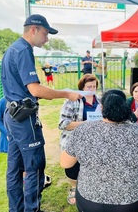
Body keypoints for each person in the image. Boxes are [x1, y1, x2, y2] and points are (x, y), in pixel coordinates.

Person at [1, 14, 82, 212]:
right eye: (45, 33)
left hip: (12, 116)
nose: (47, 38)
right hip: (23, 119)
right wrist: (66, 94)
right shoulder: (23, 50)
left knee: (15, 168)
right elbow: (35, 90)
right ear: (33, 30)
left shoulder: (12, 49)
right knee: (35, 166)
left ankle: (17, 209)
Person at [60, 89, 138, 212]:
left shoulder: (82, 130)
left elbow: (65, 163)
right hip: (129, 204)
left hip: (89, 202)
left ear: (101, 107)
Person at [58, 74, 101, 205]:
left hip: (96, 140)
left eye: (94, 86)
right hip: (75, 140)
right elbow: (63, 124)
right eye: (89, 86)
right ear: (82, 87)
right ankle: (73, 187)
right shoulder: (72, 101)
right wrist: (86, 123)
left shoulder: (100, 101)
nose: (91, 89)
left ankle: (89, 187)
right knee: (72, 167)